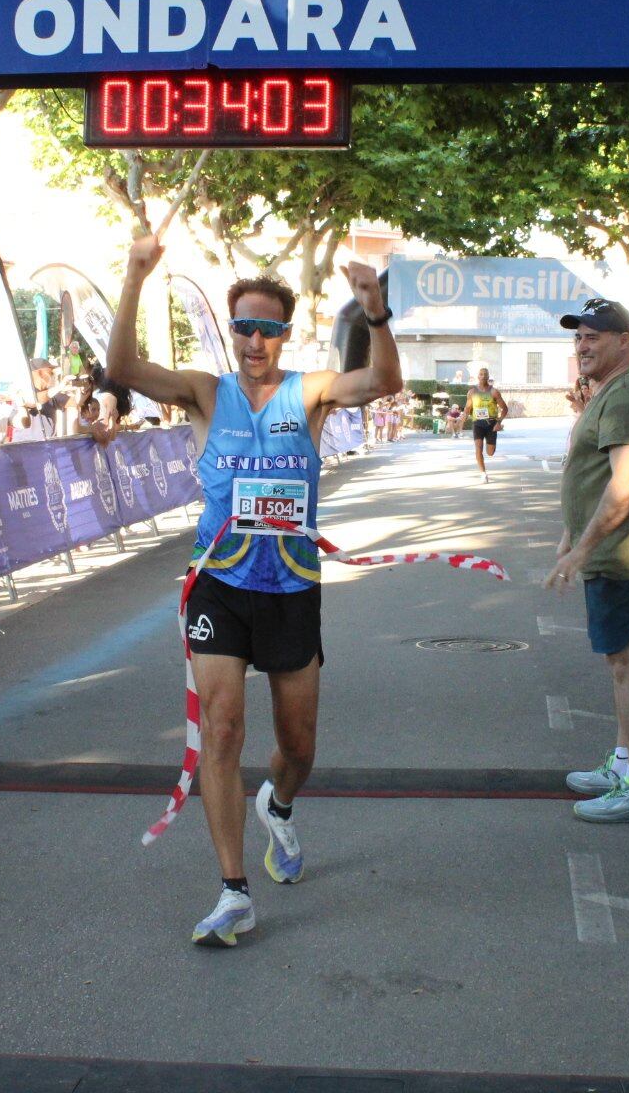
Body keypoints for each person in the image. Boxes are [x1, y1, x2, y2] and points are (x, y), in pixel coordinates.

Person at [108, 235, 399, 948]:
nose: (255, 340)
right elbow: (119, 370)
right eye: (244, 326)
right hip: (219, 584)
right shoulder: (207, 391)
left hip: (292, 586)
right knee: (223, 729)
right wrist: (134, 278)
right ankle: (234, 889)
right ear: (230, 330)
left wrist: (377, 315)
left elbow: (382, 384)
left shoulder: (312, 391)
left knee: (298, 747)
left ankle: (280, 801)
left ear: (284, 334)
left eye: (268, 328)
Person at [546, 297, 629, 825]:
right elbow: (595, 478)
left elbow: (625, 486)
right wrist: (570, 534)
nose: (582, 345)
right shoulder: (610, 393)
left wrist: (581, 548)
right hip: (616, 552)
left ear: (625, 341)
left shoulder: (624, 397)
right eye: (578, 336)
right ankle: (625, 766)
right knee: (621, 663)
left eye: (594, 336)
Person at [465, 368, 509, 483]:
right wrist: (464, 416)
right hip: (477, 423)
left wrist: (499, 422)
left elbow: (505, 408)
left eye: (485, 374)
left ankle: (490, 449)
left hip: (491, 424)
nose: (483, 376)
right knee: (478, 448)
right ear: (478, 376)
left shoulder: (494, 392)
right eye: (481, 374)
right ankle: (483, 473)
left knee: (490, 452)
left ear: (488, 376)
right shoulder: (472, 392)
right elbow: (468, 408)